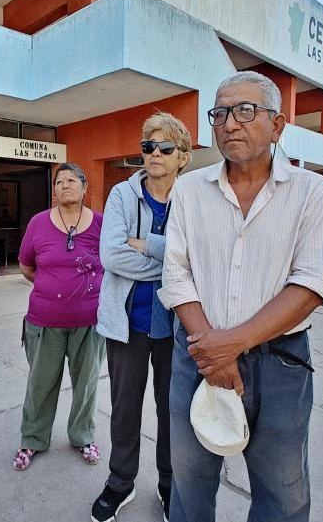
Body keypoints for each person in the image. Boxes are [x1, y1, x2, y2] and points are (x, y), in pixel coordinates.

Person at [158, 71, 323, 522]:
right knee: (190, 482)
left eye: (245, 111)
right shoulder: (188, 189)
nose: (230, 123)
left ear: (277, 126)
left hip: (281, 362)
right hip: (198, 356)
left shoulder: (310, 191)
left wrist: (233, 343)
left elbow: (314, 282)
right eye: (220, 113)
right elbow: (176, 274)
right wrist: (215, 354)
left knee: (283, 493)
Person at [90, 113, 192, 522]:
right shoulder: (121, 194)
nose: (154, 154)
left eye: (165, 147)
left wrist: (145, 244)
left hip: (179, 326)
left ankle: (169, 484)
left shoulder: (195, 196)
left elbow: (201, 258)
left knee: (173, 410)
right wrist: (173, 259)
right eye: (148, 146)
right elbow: (110, 255)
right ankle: (120, 482)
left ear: (183, 157)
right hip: (127, 323)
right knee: (124, 407)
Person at [12, 163, 104, 472]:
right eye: (59, 181)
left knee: (87, 384)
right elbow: (26, 266)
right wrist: (51, 287)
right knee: (40, 385)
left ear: (84, 186)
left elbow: (112, 265)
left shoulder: (101, 224)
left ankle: (82, 436)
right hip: (44, 321)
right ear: (54, 189)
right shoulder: (38, 223)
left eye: (71, 180)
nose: (64, 185)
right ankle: (32, 440)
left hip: (90, 322)